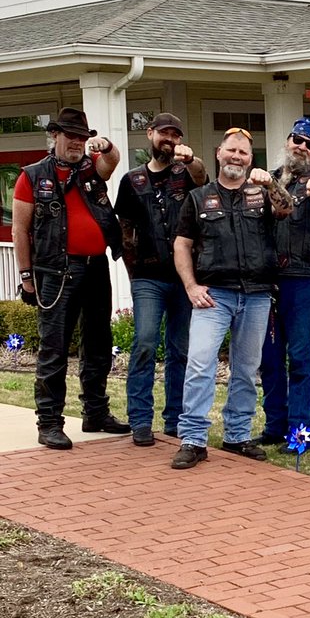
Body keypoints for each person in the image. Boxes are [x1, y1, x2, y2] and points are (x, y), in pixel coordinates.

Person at [170, 127, 293, 469]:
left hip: (256, 295)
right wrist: (191, 286)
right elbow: (182, 244)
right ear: (219, 154)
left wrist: (270, 184)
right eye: (232, 150)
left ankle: (237, 436)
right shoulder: (198, 198)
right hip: (214, 295)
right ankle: (193, 439)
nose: (237, 156)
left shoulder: (262, 195)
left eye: (244, 152)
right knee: (199, 362)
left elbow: (287, 209)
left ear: (251, 160)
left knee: (246, 369)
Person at [11, 107, 130, 449]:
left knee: (97, 343)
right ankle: (49, 422)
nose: (77, 142)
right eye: (71, 136)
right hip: (56, 270)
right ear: (55, 136)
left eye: (82, 137)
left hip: (96, 267)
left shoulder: (91, 170)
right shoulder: (32, 176)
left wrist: (105, 146)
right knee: (54, 347)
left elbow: (112, 160)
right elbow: (20, 229)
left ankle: (95, 412)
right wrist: (26, 277)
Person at [114, 112, 207, 446]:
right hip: (148, 277)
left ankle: (175, 419)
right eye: (164, 134)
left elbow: (202, 176)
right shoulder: (132, 181)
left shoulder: (187, 174)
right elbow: (124, 229)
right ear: (150, 134)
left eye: (175, 135)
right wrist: (133, 272)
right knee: (144, 343)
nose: (169, 140)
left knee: (180, 350)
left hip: (185, 278)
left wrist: (192, 158)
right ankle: (140, 420)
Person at [255, 117, 310, 453]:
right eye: (297, 140)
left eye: (309, 143)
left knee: (301, 356)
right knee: (270, 358)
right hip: (266, 279)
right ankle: (275, 425)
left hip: (303, 279)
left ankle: (301, 432)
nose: (302, 147)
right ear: (287, 141)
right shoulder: (268, 179)